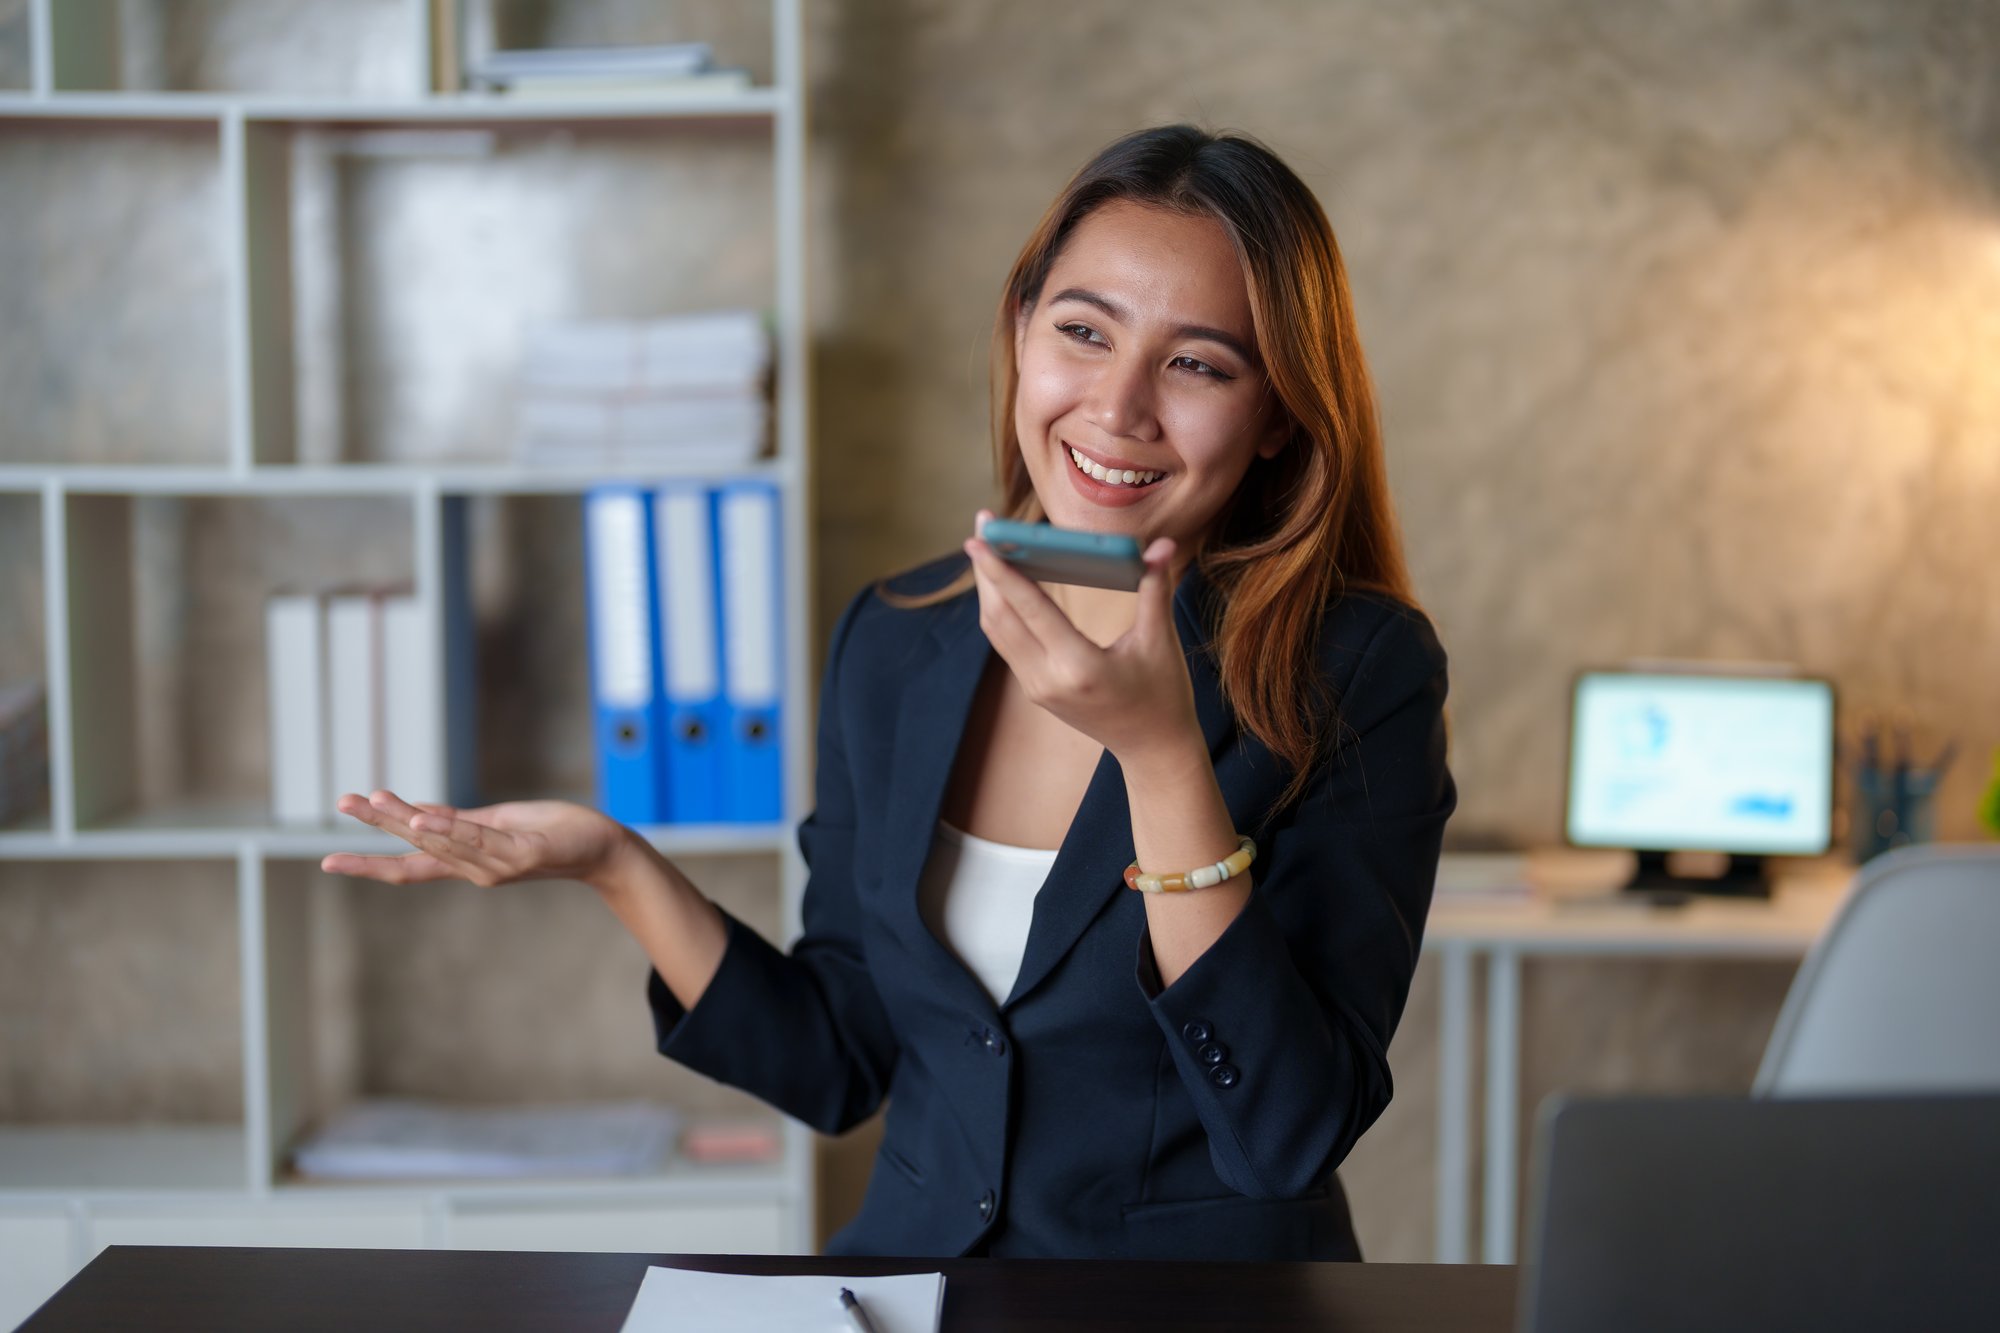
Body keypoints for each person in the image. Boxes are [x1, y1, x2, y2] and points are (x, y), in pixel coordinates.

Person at [325, 124, 1455, 1262]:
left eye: (1197, 363)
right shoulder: (895, 638)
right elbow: (839, 1057)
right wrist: (612, 861)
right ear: (1019, 333)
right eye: (1081, 332)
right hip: (914, 1286)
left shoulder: (1356, 670)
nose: (1118, 406)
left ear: (1275, 416)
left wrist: (1161, 758)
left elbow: (1288, 1132)